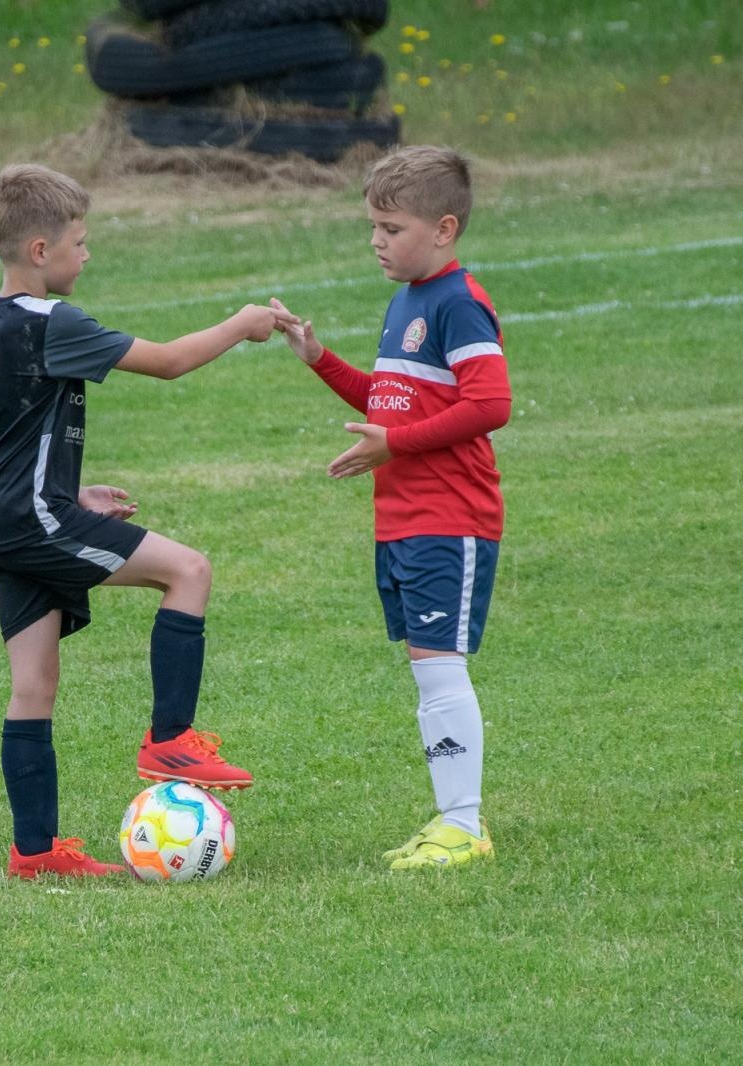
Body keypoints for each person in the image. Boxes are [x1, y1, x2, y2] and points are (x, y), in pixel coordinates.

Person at [0, 163, 297, 878]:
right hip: (33, 519)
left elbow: (10, 434)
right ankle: (170, 741)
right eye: (80, 243)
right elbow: (170, 362)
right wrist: (242, 325)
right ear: (41, 251)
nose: (88, 255)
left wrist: (70, 493)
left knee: (33, 686)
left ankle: (35, 853)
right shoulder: (54, 321)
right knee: (189, 571)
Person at [272, 144, 510, 870]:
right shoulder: (407, 300)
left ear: (443, 229)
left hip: (450, 516)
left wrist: (394, 445)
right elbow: (389, 402)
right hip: (404, 520)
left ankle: (462, 825)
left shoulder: (459, 303)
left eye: (391, 228)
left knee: (439, 670)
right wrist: (320, 359)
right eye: (372, 226)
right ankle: (451, 820)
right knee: (427, 669)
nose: (376, 241)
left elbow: (491, 404)